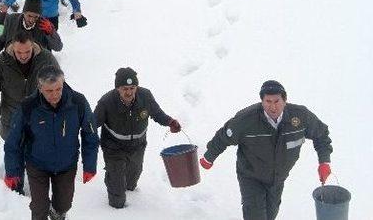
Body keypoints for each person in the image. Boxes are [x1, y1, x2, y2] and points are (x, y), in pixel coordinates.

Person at [199, 80, 333, 220]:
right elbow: (223, 137)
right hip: (251, 176)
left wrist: (324, 162)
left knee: (270, 215)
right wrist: (209, 157)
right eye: (268, 101)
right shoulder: (246, 120)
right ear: (262, 101)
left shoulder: (300, 116)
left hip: (278, 178)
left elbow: (321, 134)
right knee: (256, 216)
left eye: (277, 101)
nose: (273, 107)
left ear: (285, 100)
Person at [4, 65, 99, 220]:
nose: (55, 95)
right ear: (40, 88)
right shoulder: (28, 106)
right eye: (49, 91)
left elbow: (91, 135)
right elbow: (13, 141)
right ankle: (42, 207)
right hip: (37, 164)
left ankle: (57, 213)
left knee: (64, 205)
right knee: (39, 208)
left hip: (66, 165)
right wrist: (12, 170)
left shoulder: (78, 102)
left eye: (58, 89)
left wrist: (89, 165)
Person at [94, 67, 181, 208]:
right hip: (113, 148)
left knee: (132, 181)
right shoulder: (106, 102)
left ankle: (121, 179)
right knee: (117, 195)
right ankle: (113, 179)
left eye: (132, 88)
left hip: (137, 146)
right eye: (124, 88)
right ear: (118, 88)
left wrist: (170, 122)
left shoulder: (145, 96)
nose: (129, 92)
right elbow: (93, 124)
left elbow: (157, 113)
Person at [0, 31, 60, 141]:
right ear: (13, 48)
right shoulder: (1, 61)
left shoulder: (46, 59)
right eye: (19, 52)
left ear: (33, 46)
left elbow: (60, 87)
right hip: (11, 121)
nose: (23, 56)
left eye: (27, 51)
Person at [0, 0, 63, 75]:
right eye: (29, 16)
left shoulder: (44, 25)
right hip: (12, 62)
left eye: (36, 17)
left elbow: (58, 47)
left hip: (35, 66)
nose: (32, 20)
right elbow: (1, 41)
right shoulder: (12, 19)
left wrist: (51, 32)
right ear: (24, 12)